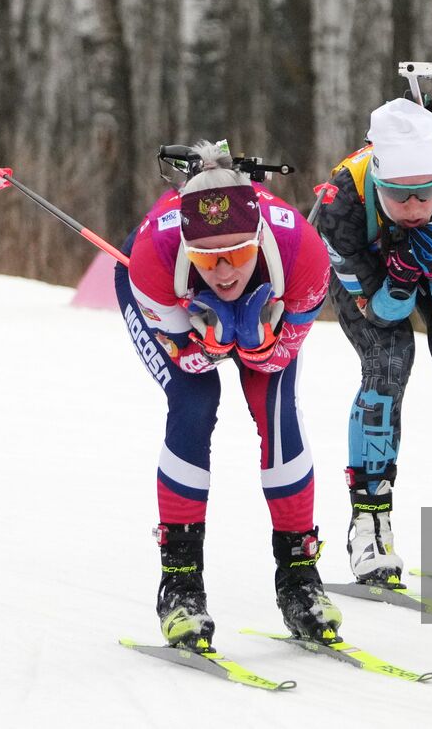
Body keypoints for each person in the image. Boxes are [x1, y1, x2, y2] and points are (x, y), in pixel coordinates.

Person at [114, 141, 340, 649]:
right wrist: (212, 344)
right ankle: (180, 586)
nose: (224, 272)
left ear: (258, 236)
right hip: (163, 297)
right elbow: (187, 361)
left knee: (276, 410)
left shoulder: (304, 253)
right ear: (187, 248)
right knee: (195, 402)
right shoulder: (154, 258)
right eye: (207, 258)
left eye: (237, 254)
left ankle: (300, 580)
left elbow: (275, 361)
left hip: (266, 300)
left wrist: (255, 342)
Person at [314, 98, 432, 587]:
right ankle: (369, 527)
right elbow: (378, 313)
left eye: (426, 193)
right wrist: (397, 284)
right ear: (377, 182)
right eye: (399, 196)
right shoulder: (342, 203)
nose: (414, 209)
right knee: (388, 361)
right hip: (375, 277)